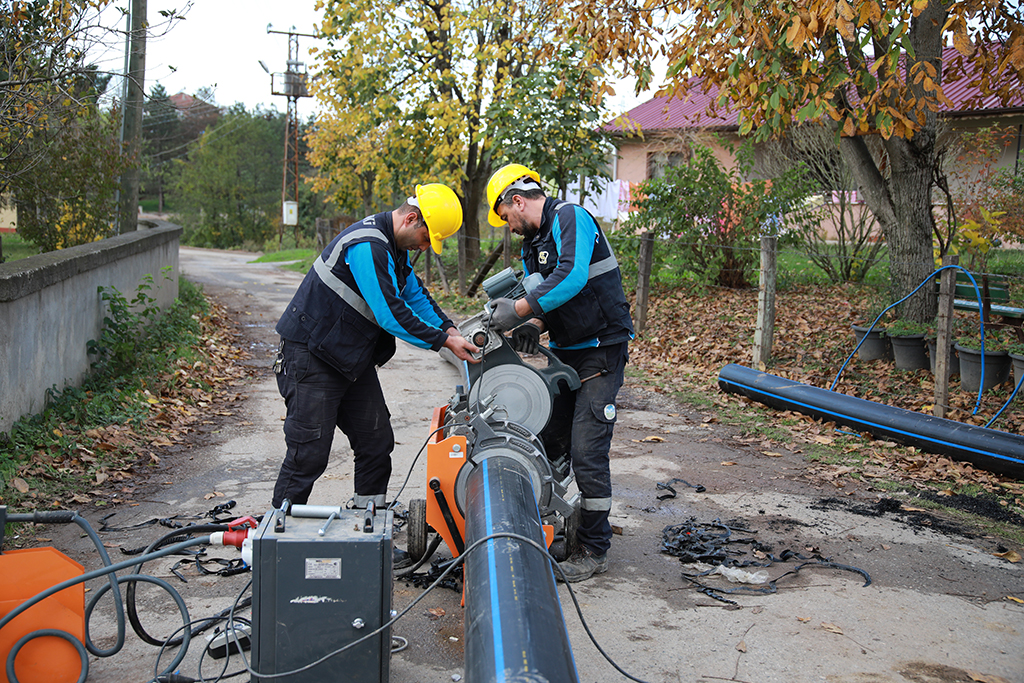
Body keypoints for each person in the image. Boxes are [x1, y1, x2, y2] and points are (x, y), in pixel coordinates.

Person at [271, 183, 479, 512]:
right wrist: (444, 342)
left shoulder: (393, 250)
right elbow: (390, 313)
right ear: (412, 219)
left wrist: (449, 328)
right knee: (308, 454)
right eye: (427, 239)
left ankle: (366, 527)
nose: (425, 247)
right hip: (311, 358)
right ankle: (278, 538)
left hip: (348, 360)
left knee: (375, 442)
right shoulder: (368, 244)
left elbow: (416, 297)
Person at [484, 163, 634, 582]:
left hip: (601, 350)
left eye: (504, 216)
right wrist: (534, 325)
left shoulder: (571, 217)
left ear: (517, 201)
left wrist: (518, 311)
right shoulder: (533, 245)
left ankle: (593, 547)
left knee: (587, 449)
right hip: (569, 352)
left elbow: (571, 277)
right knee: (550, 441)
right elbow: (551, 298)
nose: (507, 226)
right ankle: (552, 522)